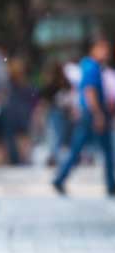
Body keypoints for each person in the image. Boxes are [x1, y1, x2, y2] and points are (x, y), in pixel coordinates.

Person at [53, 36, 114, 196]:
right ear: (93, 49)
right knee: (105, 150)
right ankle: (110, 184)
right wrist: (97, 113)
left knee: (80, 149)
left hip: (91, 113)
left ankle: (60, 178)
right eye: (102, 48)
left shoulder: (91, 66)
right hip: (93, 113)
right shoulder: (91, 67)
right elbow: (89, 91)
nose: (106, 52)